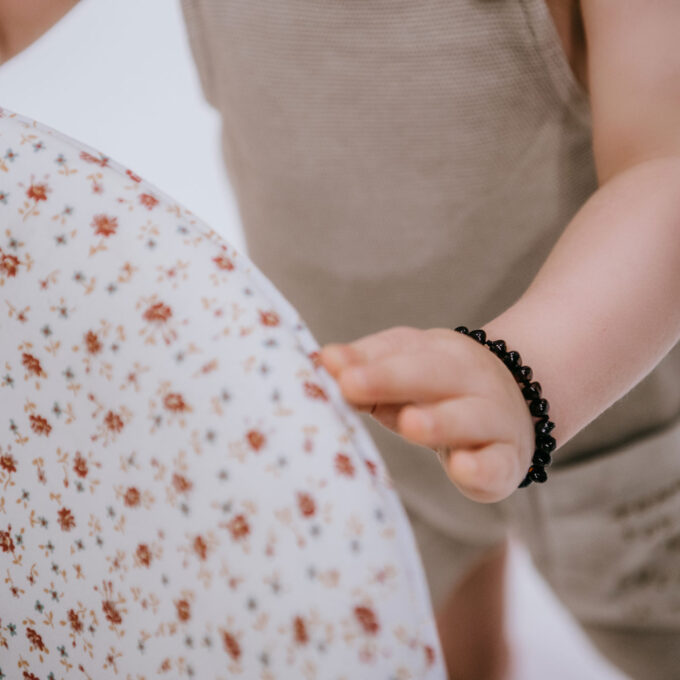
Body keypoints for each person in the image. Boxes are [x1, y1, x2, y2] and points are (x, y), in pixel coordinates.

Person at [3, 1, 680, 678]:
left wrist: (522, 373)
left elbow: (663, 164)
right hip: (367, 402)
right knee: (413, 635)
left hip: (603, 424)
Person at [0, 105, 446, 679]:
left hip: (563, 413)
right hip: (345, 391)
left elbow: (610, 170)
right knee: (421, 595)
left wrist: (524, 370)